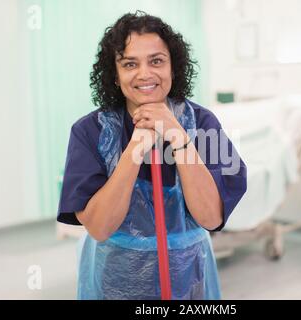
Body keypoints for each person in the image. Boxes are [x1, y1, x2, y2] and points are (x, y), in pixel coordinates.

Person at [57, 11, 247, 300]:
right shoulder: (90, 132)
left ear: (174, 67)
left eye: (156, 61)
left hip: (190, 281)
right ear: (115, 74)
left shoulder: (203, 124)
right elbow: (99, 227)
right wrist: (135, 149)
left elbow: (210, 217)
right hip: (114, 282)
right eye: (130, 64)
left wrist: (179, 138)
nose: (145, 74)